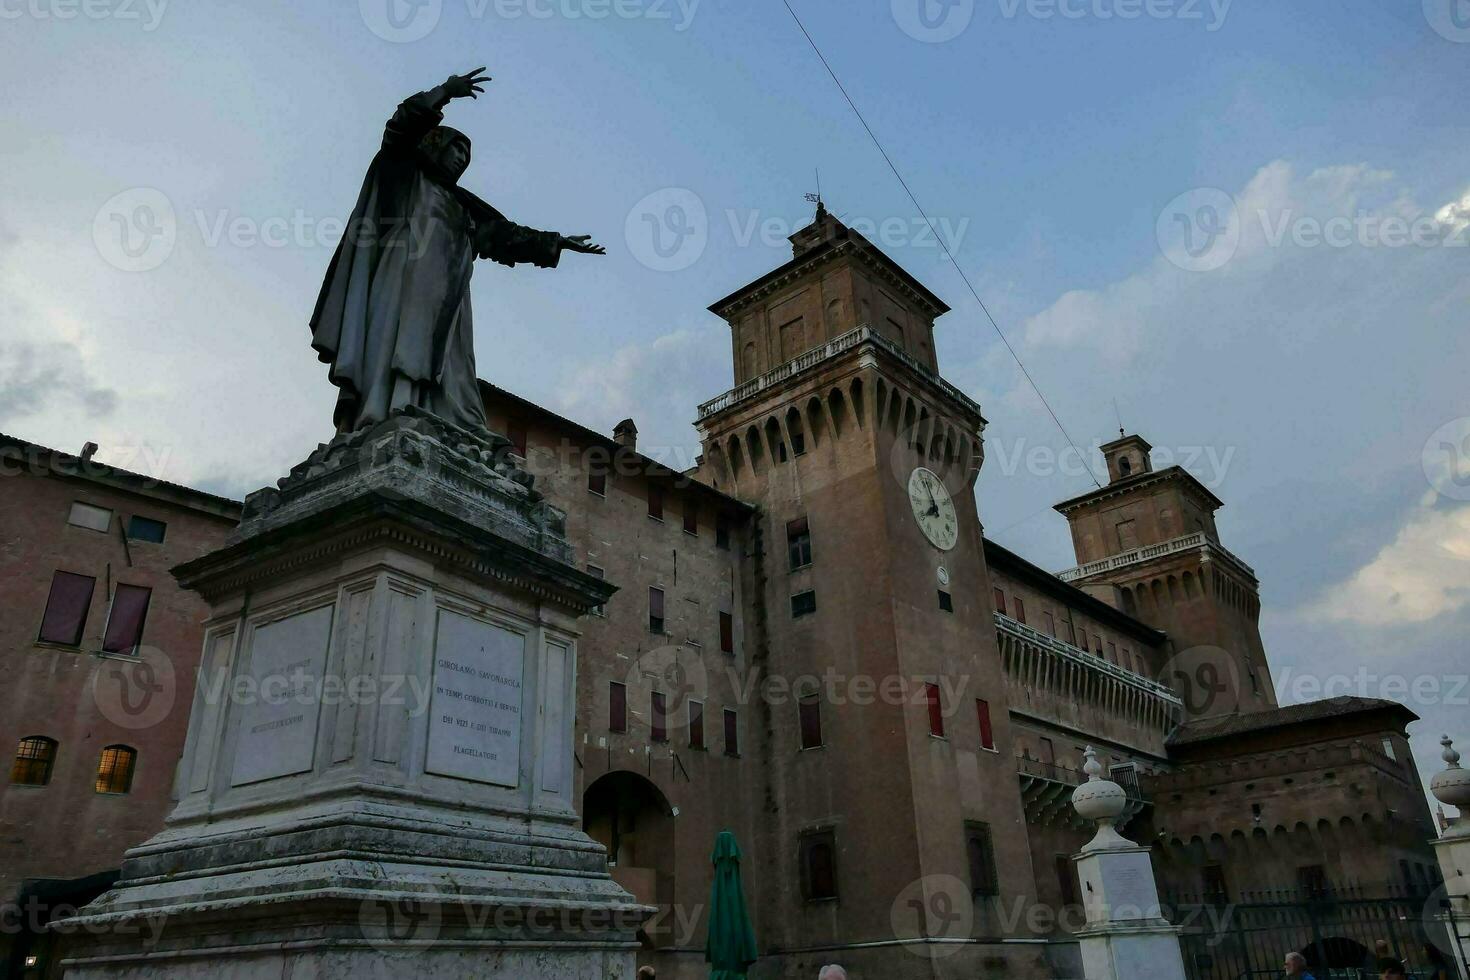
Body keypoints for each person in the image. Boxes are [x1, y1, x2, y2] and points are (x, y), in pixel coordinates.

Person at [310, 67, 605, 435]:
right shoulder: (401, 169)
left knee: (451, 362)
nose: (460, 160)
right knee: (395, 342)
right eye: (455, 149)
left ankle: (442, 420)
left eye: (465, 157)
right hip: (400, 280)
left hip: (449, 300)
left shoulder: (462, 204)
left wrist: (557, 241)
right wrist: (445, 92)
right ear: (434, 145)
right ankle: (392, 407)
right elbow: (401, 125)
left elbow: (504, 235)